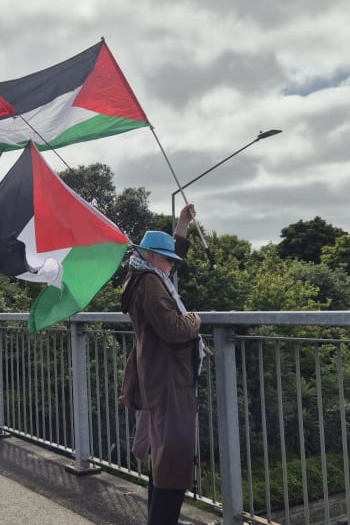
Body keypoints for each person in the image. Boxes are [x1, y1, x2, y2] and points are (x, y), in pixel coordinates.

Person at [120, 203, 202, 525]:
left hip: (157, 375)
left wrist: (182, 225)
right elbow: (173, 328)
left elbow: (171, 263)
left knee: (163, 457)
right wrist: (194, 320)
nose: (172, 265)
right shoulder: (151, 284)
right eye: (168, 259)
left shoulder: (145, 276)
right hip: (168, 381)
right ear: (153, 257)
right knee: (173, 461)